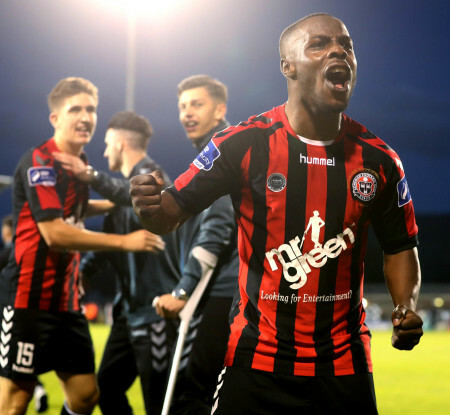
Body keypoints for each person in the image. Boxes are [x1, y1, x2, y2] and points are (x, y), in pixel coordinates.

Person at [130, 13, 423, 414]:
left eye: (347, 45)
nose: (339, 50)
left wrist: (405, 305)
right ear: (288, 66)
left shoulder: (380, 161)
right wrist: (148, 205)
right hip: (256, 362)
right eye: (319, 44)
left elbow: (400, 245)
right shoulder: (243, 144)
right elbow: (168, 213)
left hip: (343, 366)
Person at [0, 77, 165, 415]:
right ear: (55, 118)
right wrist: (124, 241)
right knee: (17, 398)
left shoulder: (79, 165)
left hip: (66, 303)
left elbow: (75, 210)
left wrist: (121, 202)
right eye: (75, 109)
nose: (85, 116)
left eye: (91, 109)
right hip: (27, 299)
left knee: (86, 395)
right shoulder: (41, 161)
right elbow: (54, 233)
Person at [54, 109, 188, 415]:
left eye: (106, 143)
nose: (103, 151)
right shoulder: (125, 195)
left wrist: (90, 176)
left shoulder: (153, 179)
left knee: (161, 406)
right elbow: (115, 244)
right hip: (128, 314)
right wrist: (84, 272)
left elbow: (127, 197)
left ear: (120, 143)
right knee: (105, 390)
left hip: (155, 314)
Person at [153, 74, 239, 414]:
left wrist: (182, 292)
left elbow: (217, 227)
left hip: (228, 290)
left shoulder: (221, 150)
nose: (187, 113)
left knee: (194, 394)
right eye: (182, 106)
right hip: (243, 287)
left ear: (219, 110)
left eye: (196, 104)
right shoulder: (233, 144)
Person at [0, 215, 49, 412]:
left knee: (4, 362)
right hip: (34, 314)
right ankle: (38, 390)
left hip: (9, 313)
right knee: (24, 360)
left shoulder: (5, 254)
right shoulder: (34, 252)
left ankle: (2, 407)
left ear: (6, 232)